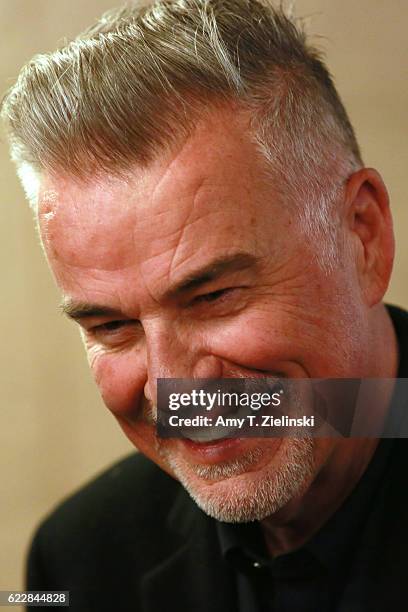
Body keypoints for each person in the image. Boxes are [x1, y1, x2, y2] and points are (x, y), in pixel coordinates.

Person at [1, 0, 407, 609]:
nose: (173, 388)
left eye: (213, 296)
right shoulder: (78, 560)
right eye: (112, 326)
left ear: (362, 237)